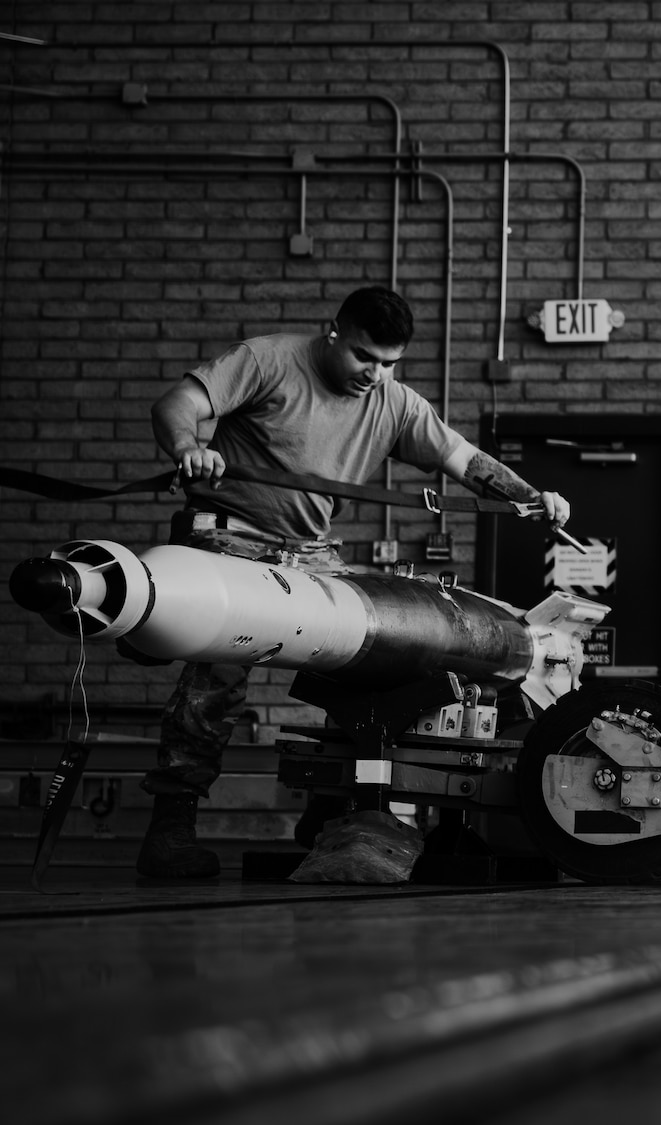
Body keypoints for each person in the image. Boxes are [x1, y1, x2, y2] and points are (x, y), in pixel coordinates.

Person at [139, 286, 571, 880]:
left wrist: (531, 498)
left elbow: (464, 460)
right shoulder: (268, 360)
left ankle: (331, 807)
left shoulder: (394, 403)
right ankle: (171, 824)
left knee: (367, 658)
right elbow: (177, 403)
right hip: (232, 538)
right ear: (333, 331)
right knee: (216, 680)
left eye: (390, 362)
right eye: (365, 356)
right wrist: (191, 447)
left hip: (310, 552)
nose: (376, 373)